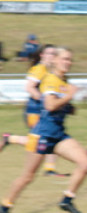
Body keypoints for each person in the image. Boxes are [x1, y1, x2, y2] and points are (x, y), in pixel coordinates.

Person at [1, 47, 87, 213]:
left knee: (85, 163)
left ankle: (67, 200)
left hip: (58, 135)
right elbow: (50, 106)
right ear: (55, 60)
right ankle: (5, 206)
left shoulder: (64, 80)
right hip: (42, 135)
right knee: (28, 177)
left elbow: (60, 105)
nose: (68, 62)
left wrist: (70, 107)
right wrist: (69, 96)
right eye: (65, 59)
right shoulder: (50, 79)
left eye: (70, 60)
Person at [2, 44, 66, 177]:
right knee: (41, 139)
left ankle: (49, 168)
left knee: (46, 138)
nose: (52, 56)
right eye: (49, 53)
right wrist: (45, 101)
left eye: (54, 54)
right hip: (34, 111)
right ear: (42, 55)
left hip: (45, 111)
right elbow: (30, 87)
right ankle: (49, 169)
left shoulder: (52, 71)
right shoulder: (39, 69)